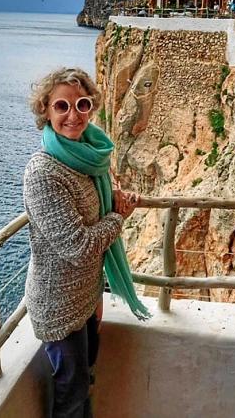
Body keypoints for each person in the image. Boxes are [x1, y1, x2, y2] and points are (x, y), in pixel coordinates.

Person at [24, 67, 150, 417]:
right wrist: (119, 217)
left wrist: (95, 297)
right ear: (45, 111)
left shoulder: (89, 156)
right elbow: (79, 247)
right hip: (58, 305)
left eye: (81, 104)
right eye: (61, 106)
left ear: (91, 107)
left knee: (86, 379)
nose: (73, 115)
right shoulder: (44, 173)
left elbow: (94, 209)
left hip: (86, 296)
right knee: (72, 393)